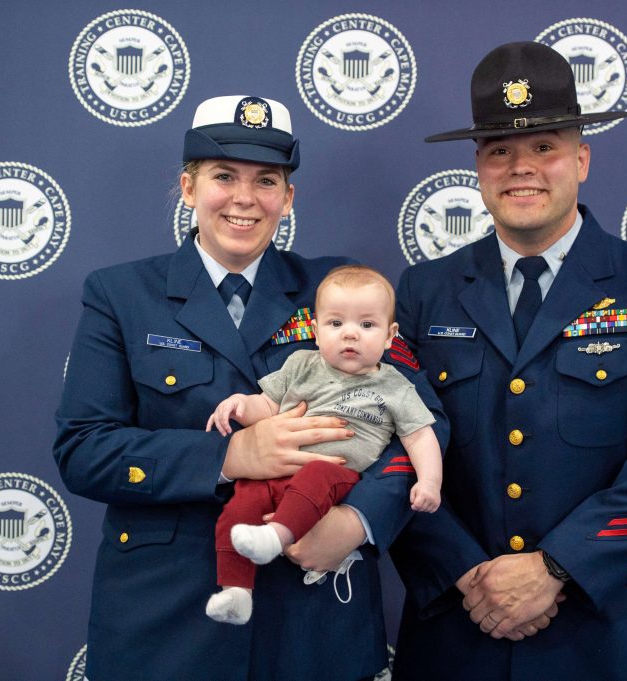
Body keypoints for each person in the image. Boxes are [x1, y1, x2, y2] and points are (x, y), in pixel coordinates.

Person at [54, 95, 445, 681]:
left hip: (313, 615)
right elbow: (84, 450)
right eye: (223, 177)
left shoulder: (340, 289)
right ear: (188, 188)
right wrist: (230, 456)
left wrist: (359, 522)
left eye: (266, 180)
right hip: (168, 617)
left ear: (287, 199)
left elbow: (423, 422)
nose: (244, 198)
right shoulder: (119, 294)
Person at [389, 42, 627, 681]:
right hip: (462, 628)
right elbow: (390, 448)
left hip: (611, 633)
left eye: (545, 147)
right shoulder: (422, 291)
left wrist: (555, 567)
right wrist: (467, 574)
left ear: (583, 159)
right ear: (478, 168)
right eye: (499, 151)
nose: (522, 168)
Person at [204, 265, 442, 625]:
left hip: (336, 477)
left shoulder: (396, 386)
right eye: (336, 324)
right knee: (241, 504)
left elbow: (420, 435)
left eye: (366, 325)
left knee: (316, 473)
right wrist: (239, 404)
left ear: (391, 336)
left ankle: (276, 535)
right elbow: (267, 405)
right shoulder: (301, 365)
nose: (350, 335)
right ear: (315, 331)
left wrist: (429, 483)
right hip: (276, 471)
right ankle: (236, 591)